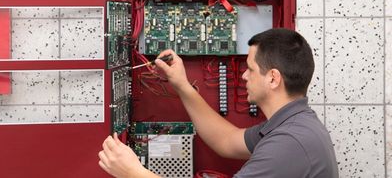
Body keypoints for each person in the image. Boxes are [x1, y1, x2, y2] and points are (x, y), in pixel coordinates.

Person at [98, 28, 338, 177]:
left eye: (251, 69)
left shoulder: (290, 143)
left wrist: (133, 173)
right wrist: (181, 84)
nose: (244, 75)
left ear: (273, 78)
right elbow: (226, 140)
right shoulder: (292, 125)